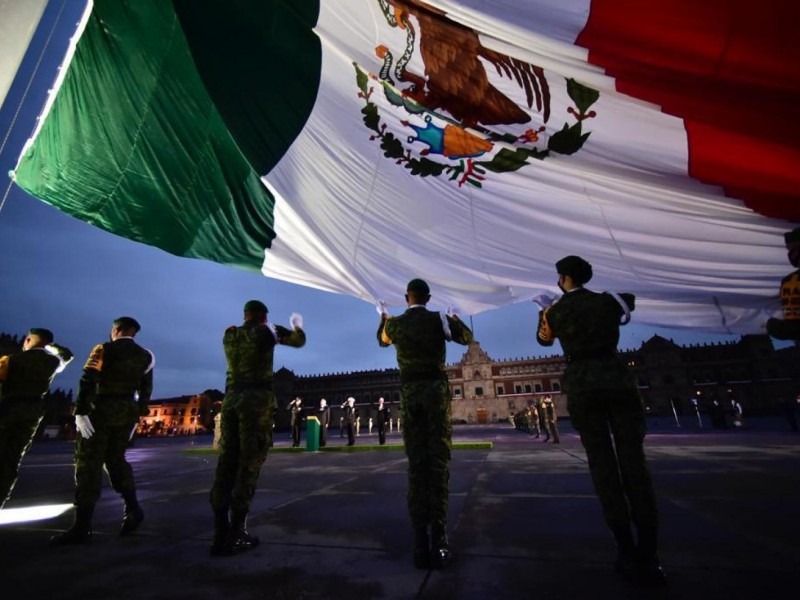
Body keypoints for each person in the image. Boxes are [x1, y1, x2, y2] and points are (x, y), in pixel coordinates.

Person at [535, 256, 666, 586]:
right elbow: (627, 305)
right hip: (617, 379)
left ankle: (624, 550)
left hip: (583, 384)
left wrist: (545, 311)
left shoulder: (555, 311)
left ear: (563, 278)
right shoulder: (610, 300)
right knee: (634, 462)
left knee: (602, 465)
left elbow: (543, 340)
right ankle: (649, 555)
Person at [377, 278, 473, 569]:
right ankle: (440, 538)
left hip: (410, 396)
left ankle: (420, 541)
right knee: (438, 463)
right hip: (435, 394)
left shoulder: (395, 324)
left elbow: (382, 340)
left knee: (417, 465)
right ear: (429, 298)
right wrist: (454, 315)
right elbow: (466, 338)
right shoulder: (438, 320)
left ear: (406, 297)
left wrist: (383, 317)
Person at [208, 300, 305, 556]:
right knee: (248, 464)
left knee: (226, 462)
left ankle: (220, 533)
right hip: (255, 402)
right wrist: (298, 326)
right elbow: (297, 341)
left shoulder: (230, 335)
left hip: (230, 401)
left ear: (245, 315)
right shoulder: (266, 330)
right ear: (263, 317)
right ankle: (237, 532)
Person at [50, 317, 154, 545]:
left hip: (100, 411)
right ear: (133, 333)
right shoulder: (146, 356)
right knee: (116, 461)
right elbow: (146, 390)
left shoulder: (103, 349)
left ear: (116, 330)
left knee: (88, 464)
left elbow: (88, 378)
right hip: (126, 413)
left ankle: (82, 526)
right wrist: (136, 415)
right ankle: (133, 508)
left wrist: (81, 411)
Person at [0, 328, 73, 509]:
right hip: (33, 412)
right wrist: (49, 345)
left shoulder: (10, 360)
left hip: (7, 409)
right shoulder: (52, 361)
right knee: (12, 459)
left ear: (27, 340)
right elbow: (67, 355)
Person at [766, 225, 800, 341]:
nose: (793, 255)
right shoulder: (788, 281)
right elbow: (793, 321)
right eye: (791, 251)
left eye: (795, 249)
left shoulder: (789, 281)